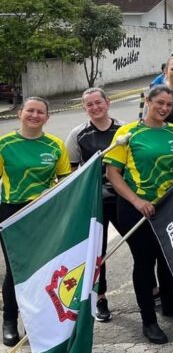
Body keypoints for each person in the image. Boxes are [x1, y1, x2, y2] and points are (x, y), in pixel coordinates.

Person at [105, 87, 173, 344]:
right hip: (135, 208)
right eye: (159, 103)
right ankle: (149, 320)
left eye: (169, 104)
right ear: (148, 101)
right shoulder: (127, 133)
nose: (164, 108)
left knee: (168, 258)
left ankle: (170, 303)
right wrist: (137, 201)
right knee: (145, 262)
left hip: (168, 206)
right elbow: (113, 174)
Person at [0, 97, 71, 346]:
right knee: (16, 269)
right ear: (20, 113)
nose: (35, 115)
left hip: (44, 213)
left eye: (40, 112)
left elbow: (65, 180)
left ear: (47, 117)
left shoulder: (56, 145)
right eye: (30, 110)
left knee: (43, 269)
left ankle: (39, 323)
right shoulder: (4, 144)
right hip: (12, 212)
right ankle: (9, 321)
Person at [66, 88, 124, 323]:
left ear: (108, 102)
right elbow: (71, 172)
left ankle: (152, 289)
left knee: (141, 245)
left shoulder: (124, 130)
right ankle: (100, 298)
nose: (95, 107)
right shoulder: (77, 134)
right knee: (97, 253)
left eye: (98, 102)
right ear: (84, 108)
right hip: (94, 202)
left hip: (122, 198)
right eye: (89, 104)